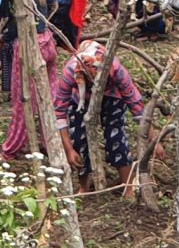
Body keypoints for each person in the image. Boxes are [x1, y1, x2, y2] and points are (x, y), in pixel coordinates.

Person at [52, 39, 145, 190]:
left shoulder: (116, 69)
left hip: (112, 95)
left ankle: (128, 187)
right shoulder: (71, 72)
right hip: (80, 97)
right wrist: (69, 149)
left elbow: (135, 102)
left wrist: (152, 136)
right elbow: (59, 113)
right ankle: (84, 187)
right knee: (78, 140)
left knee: (116, 137)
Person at [0, 6, 60, 160]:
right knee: (49, 97)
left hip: (29, 44)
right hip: (47, 39)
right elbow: (52, 3)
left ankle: (11, 149)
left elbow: (13, 25)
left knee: (23, 100)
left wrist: (2, 38)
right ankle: (51, 142)